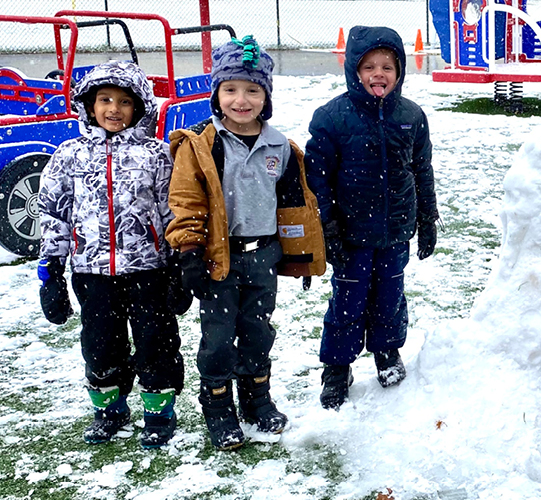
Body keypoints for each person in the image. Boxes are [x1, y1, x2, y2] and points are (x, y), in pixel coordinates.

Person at [38, 60, 188, 449]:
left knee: (156, 342)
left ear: (139, 108)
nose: (113, 109)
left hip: (148, 270)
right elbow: (55, 212)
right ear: (88, 105)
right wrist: (51, 271)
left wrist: (178, 265)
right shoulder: (69, 155)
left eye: (124, 102)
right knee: (101, 343)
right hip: (91, 271)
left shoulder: (156, 154)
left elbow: (170, 209)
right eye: (104, 99)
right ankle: (109, 409)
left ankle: (158, 411)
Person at [166, 35, 304, 450]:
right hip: (218, 259)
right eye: (230, 89)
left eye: (252, 90)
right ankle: (218, 406)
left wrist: (303, 253)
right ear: (216, 94)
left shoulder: (280, 145)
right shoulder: (202, 145)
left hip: (263, 256)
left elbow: (294, 207)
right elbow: (186, 200)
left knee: (258, 332)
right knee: (219, 337)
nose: (241, 100)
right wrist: (189, 252)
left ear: (266, 95)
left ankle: (256, 400)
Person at [305, 26, 439, 410]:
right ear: (354, 70)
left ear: (399, 71)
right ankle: (337, 366)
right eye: (368, 66)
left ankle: (386, 352)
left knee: (389, 298)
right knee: (348, 301)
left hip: (395, 229)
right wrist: (327, 227)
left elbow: (422, 169)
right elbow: (318, 178)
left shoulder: (411, 116)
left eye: (386, 66)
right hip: (351, 233)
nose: (378, 74)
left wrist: (427, 219)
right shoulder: (332, 118)